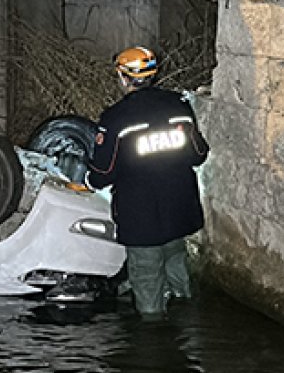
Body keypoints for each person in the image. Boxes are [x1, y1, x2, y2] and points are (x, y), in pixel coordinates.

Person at [84, 46, 209, 319]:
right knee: (178, 271)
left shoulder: (116, 118)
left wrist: (86, 177)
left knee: (147, 281)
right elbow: (199, 154)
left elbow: (102, 172)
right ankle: (189, 325)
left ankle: (153, 347)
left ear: (124, 77)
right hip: (180, 210)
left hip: (143, 219)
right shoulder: (179, 105)